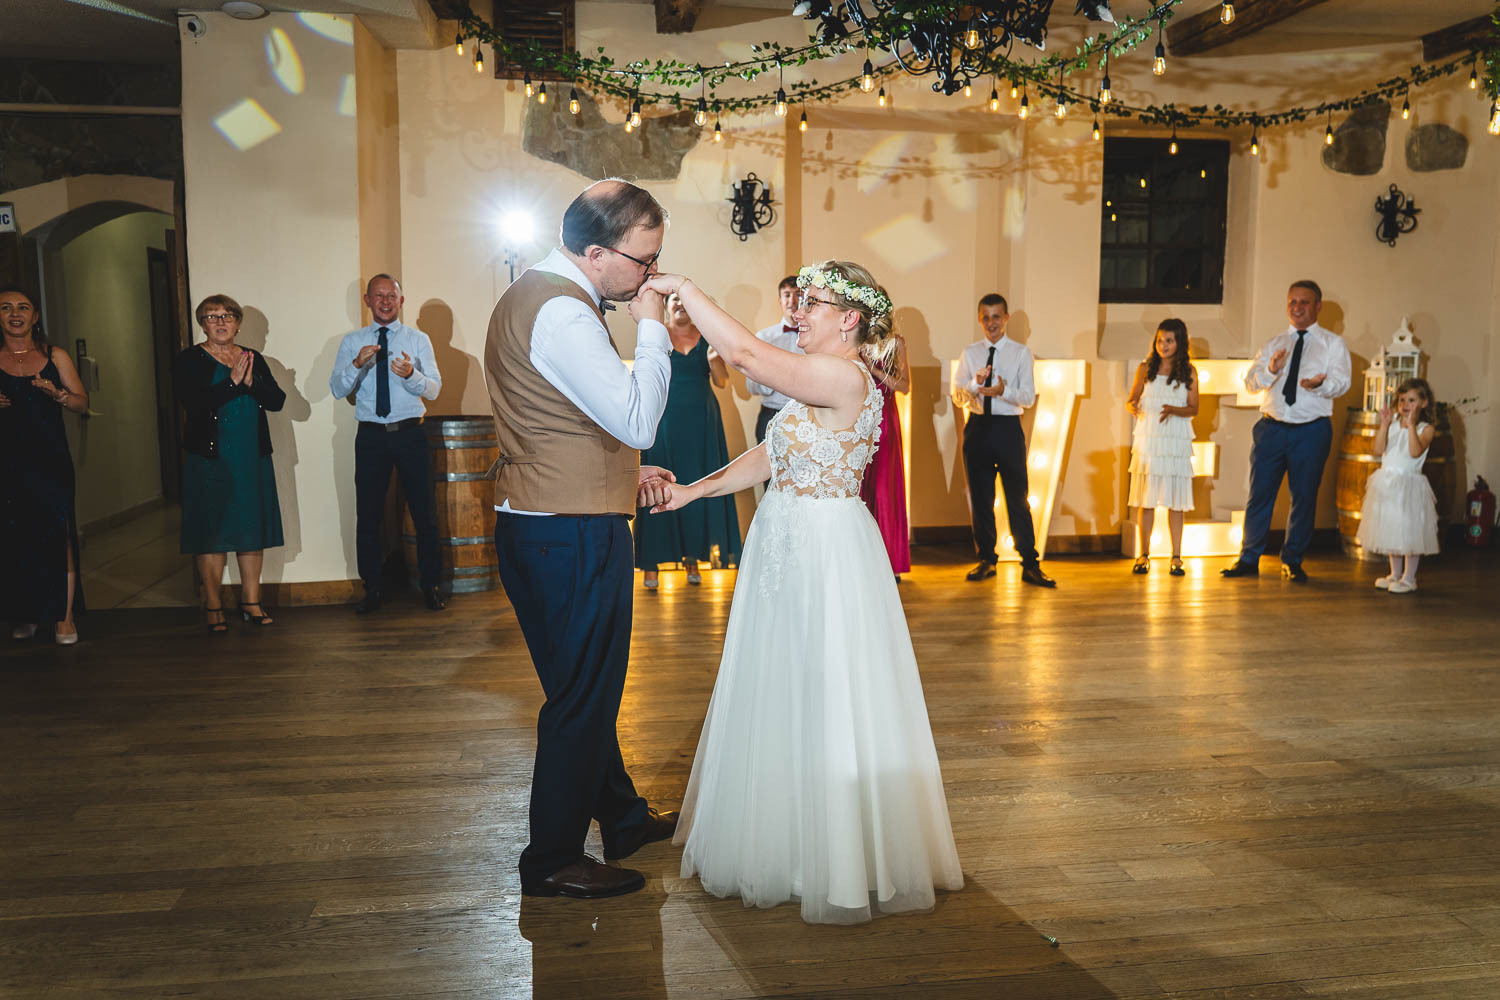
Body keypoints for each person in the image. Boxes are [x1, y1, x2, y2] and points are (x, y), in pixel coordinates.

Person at [637, 261, 963, 925]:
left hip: (824, 552)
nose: (797, 313)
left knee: (826, 689)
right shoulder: (816, 379)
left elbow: (744, 354)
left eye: (811, 304)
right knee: (779, 687)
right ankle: (782, 838)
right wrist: (694, 492)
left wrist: (687, 289)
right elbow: (774, 454)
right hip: (783, 542)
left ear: (850, 319)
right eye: (800, 302)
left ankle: (833, 856)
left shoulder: (845, 377)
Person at [485, 178, 680, 900]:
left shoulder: (533, 294)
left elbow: (555, 419)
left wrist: (623, 471)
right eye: (644, 260)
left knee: (580, 689)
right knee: (581, 700)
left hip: (540, 522)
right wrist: (653, 329)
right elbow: (638, 419)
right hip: (570, 536)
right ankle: (552, 858)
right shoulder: (565, 312)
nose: (650, 273)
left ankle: (622, 818)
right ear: (596, 253)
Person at [329, 274, 446, 613]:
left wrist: (411, 375)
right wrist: (356, 365)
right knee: (368, 515)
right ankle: (373, 589)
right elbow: (337, 389)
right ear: (367, 301)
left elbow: (434, 390)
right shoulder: (352, 341)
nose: (385, 302)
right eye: (378, 296)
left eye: (391, 295)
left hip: (410, 433)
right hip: (371, 436)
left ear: (401, 300)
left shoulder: (418, 340)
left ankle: (431, 586)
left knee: (424, 514)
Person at [1223, 280, 1351, 583]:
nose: (1297, 307)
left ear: (1318, 306)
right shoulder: (1274, 343)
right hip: (1272, 429)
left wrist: (1320, 384)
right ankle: (1248, 558)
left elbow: (1342, 383)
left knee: (1304, 497)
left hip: (1311, 431)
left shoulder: (1333, 344)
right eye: (1292, 301)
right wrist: (1271, 369)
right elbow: (1251, 383)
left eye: (1304, 302)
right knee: (1259, 495)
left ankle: (1292, 560)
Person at [176, 294, 286, 631]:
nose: (220, 322)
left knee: (251, 528)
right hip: (210, 458)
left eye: (227, 316)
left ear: (238, 324)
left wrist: (252, 382)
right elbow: (194, 403)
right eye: (212, 316)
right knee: (212, 531)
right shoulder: (190, 359)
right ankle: (213, 604)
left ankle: (251, 601)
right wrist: (232, 382)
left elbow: (277, 401)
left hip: (250, 456)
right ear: (202, 324)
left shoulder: (254, 358)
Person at [635, 292, 741, 589]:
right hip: (665, 420)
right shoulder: (657, 334)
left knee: (696, 483)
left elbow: (721, 381)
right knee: (658, 484)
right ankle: (651, 564)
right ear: (667, 306)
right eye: (674, 300)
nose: (680, 304)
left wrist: (715, 359)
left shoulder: (707, 335)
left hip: (702, 422)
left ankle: (693, 557)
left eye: (684, 300)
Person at [1, 286, 87, 645]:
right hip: (7, 463)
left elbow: (82, 403)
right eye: (6, 308)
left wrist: (59, 395)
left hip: (49, 461)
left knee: (58, 535)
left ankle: (64, 617)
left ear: (35, 316)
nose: (15, 314)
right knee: (16, 538)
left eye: (23, 307)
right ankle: (29, 612)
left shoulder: (55, 355)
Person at [952, 294, 1055, 587]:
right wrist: (974, 385)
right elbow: (958, 396)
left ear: (1006, 318)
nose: (991, 323)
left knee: (1018, 498)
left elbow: (1027, 398)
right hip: (977, 427)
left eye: (996, 316)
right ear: (979, 320)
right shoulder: (970, 353)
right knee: (981, 498)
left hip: (1008, 429)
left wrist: (1003, 392)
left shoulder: (1021, 353)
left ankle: (1030, 563)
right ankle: (986, 558)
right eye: (985, 317)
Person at [1126, 319, 1198, 576]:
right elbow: (1132, 399)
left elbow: (1194, 408)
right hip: (1150, 440)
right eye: (1159, 340)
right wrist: (1132, 406)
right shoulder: (1145, 369)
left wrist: (1173, 410)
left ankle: (1176, 556)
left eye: (1169, 341)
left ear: (1180, 343)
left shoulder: (1189, 372)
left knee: (1176, 502)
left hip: (1175, 441)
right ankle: (1143, 554)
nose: (1163, 345)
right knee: (1146, 500)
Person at [1358, 378, 1439, 593]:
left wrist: (1411, 426)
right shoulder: (1392, 425)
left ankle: (1409, 578)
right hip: (1387, 483)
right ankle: (1394, 573)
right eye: (1402, 400)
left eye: (1412, 400)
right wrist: (1384, 425)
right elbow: (1378, 450)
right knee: (1392, 528)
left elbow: (1414, 452)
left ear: (1424, 403)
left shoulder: (1425, 429)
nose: (1405, 405)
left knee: (1409, 530)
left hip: (1409, 485)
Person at [861, 334, 911, 577]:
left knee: (883, 489)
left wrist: (874, 370)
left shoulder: (895, 342)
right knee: (860, 489)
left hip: (885, 422)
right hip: (859, 418)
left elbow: (904, 386)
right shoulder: (855, 339)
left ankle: (889, 562)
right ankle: (861, 561)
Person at [747, 275, 804, 444]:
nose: (792, 301)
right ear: (780, 301)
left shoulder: (817, 339)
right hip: (771, 415)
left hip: (806, 416)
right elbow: (751, 386)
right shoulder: (764, 338)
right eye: (787, 295)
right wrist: (771, 376)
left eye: (798, 294)